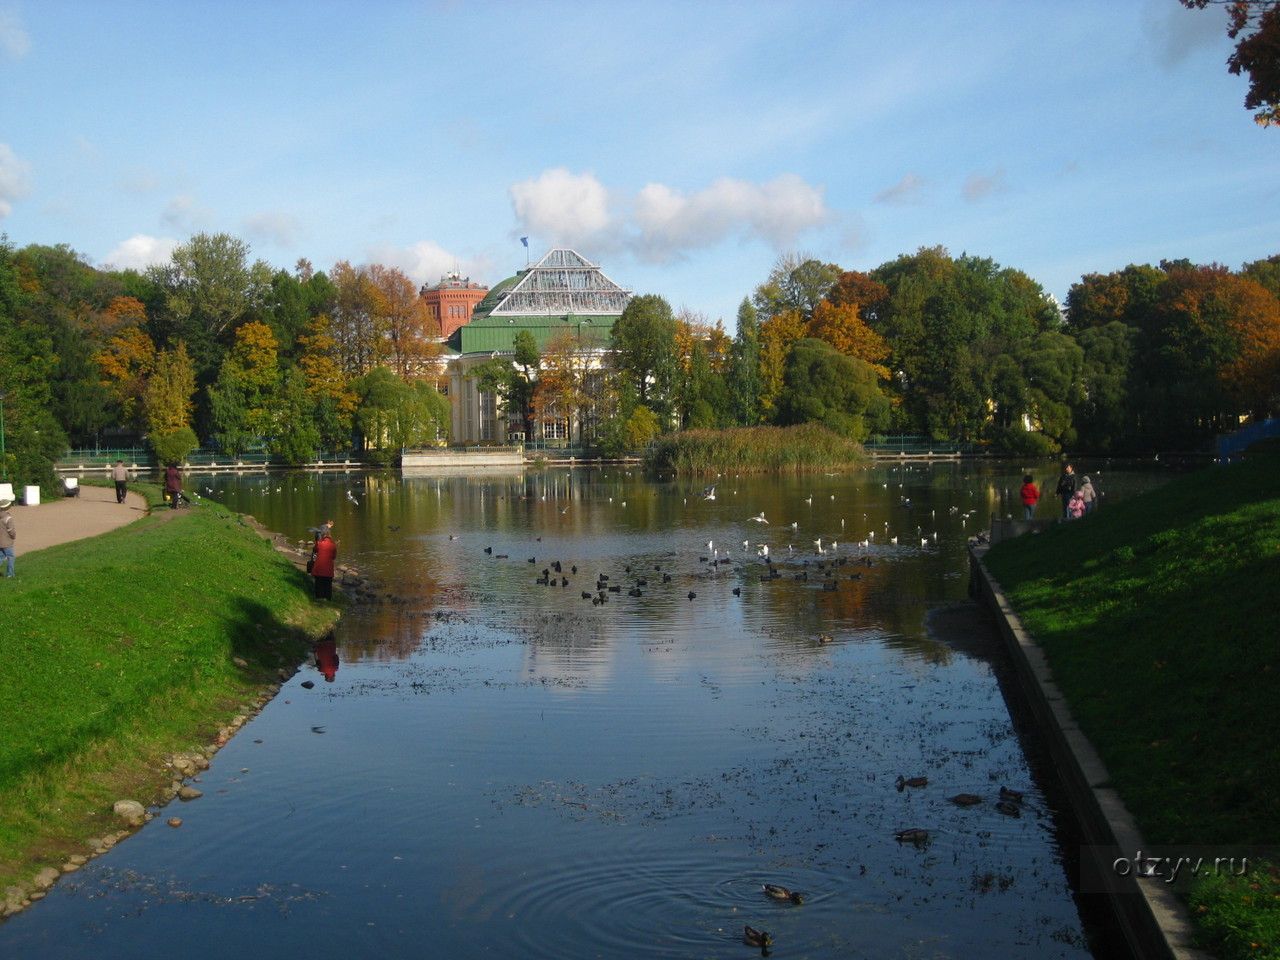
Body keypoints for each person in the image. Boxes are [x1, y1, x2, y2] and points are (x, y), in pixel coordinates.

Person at [310, 527, 337, 600]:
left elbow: (314, 550)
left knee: (319, 583)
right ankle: (328, 598)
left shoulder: (319, 543)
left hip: (319, 567)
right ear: (330, 536)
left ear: (322, 536)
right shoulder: (333, 545)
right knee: (328, 585)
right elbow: (334, 557)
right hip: (328, 568)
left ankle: (319, 597)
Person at [0, 498, 15, 578]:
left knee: (1, 557)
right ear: (9, 507)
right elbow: (11, 530)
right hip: (7, 542)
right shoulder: (8, 518)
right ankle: (10, 574)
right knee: (10, 557)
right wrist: (13, 536)